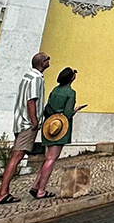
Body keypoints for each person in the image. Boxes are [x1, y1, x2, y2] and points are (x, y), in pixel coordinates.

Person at [0, 51, 51, 204]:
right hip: (27, 123)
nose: (49, 61)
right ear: (42, 63)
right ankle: (2, 193)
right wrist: (34, 122)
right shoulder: (36, 79)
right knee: (17, 156)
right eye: (47, 59)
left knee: (16, 156)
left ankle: (4, 192)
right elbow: (31, 101)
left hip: (20, 120)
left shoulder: (27, 76)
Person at [30, 67, 79, 199]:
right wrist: (75, 110)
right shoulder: (71, 93)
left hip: (49, 126)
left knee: (47, 158)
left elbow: (47, 108)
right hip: (60, 128)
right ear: (71, 78)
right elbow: (68, 113)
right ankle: (41, 190)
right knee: (51, 159)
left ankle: (35, 186)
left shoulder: (55, 90)